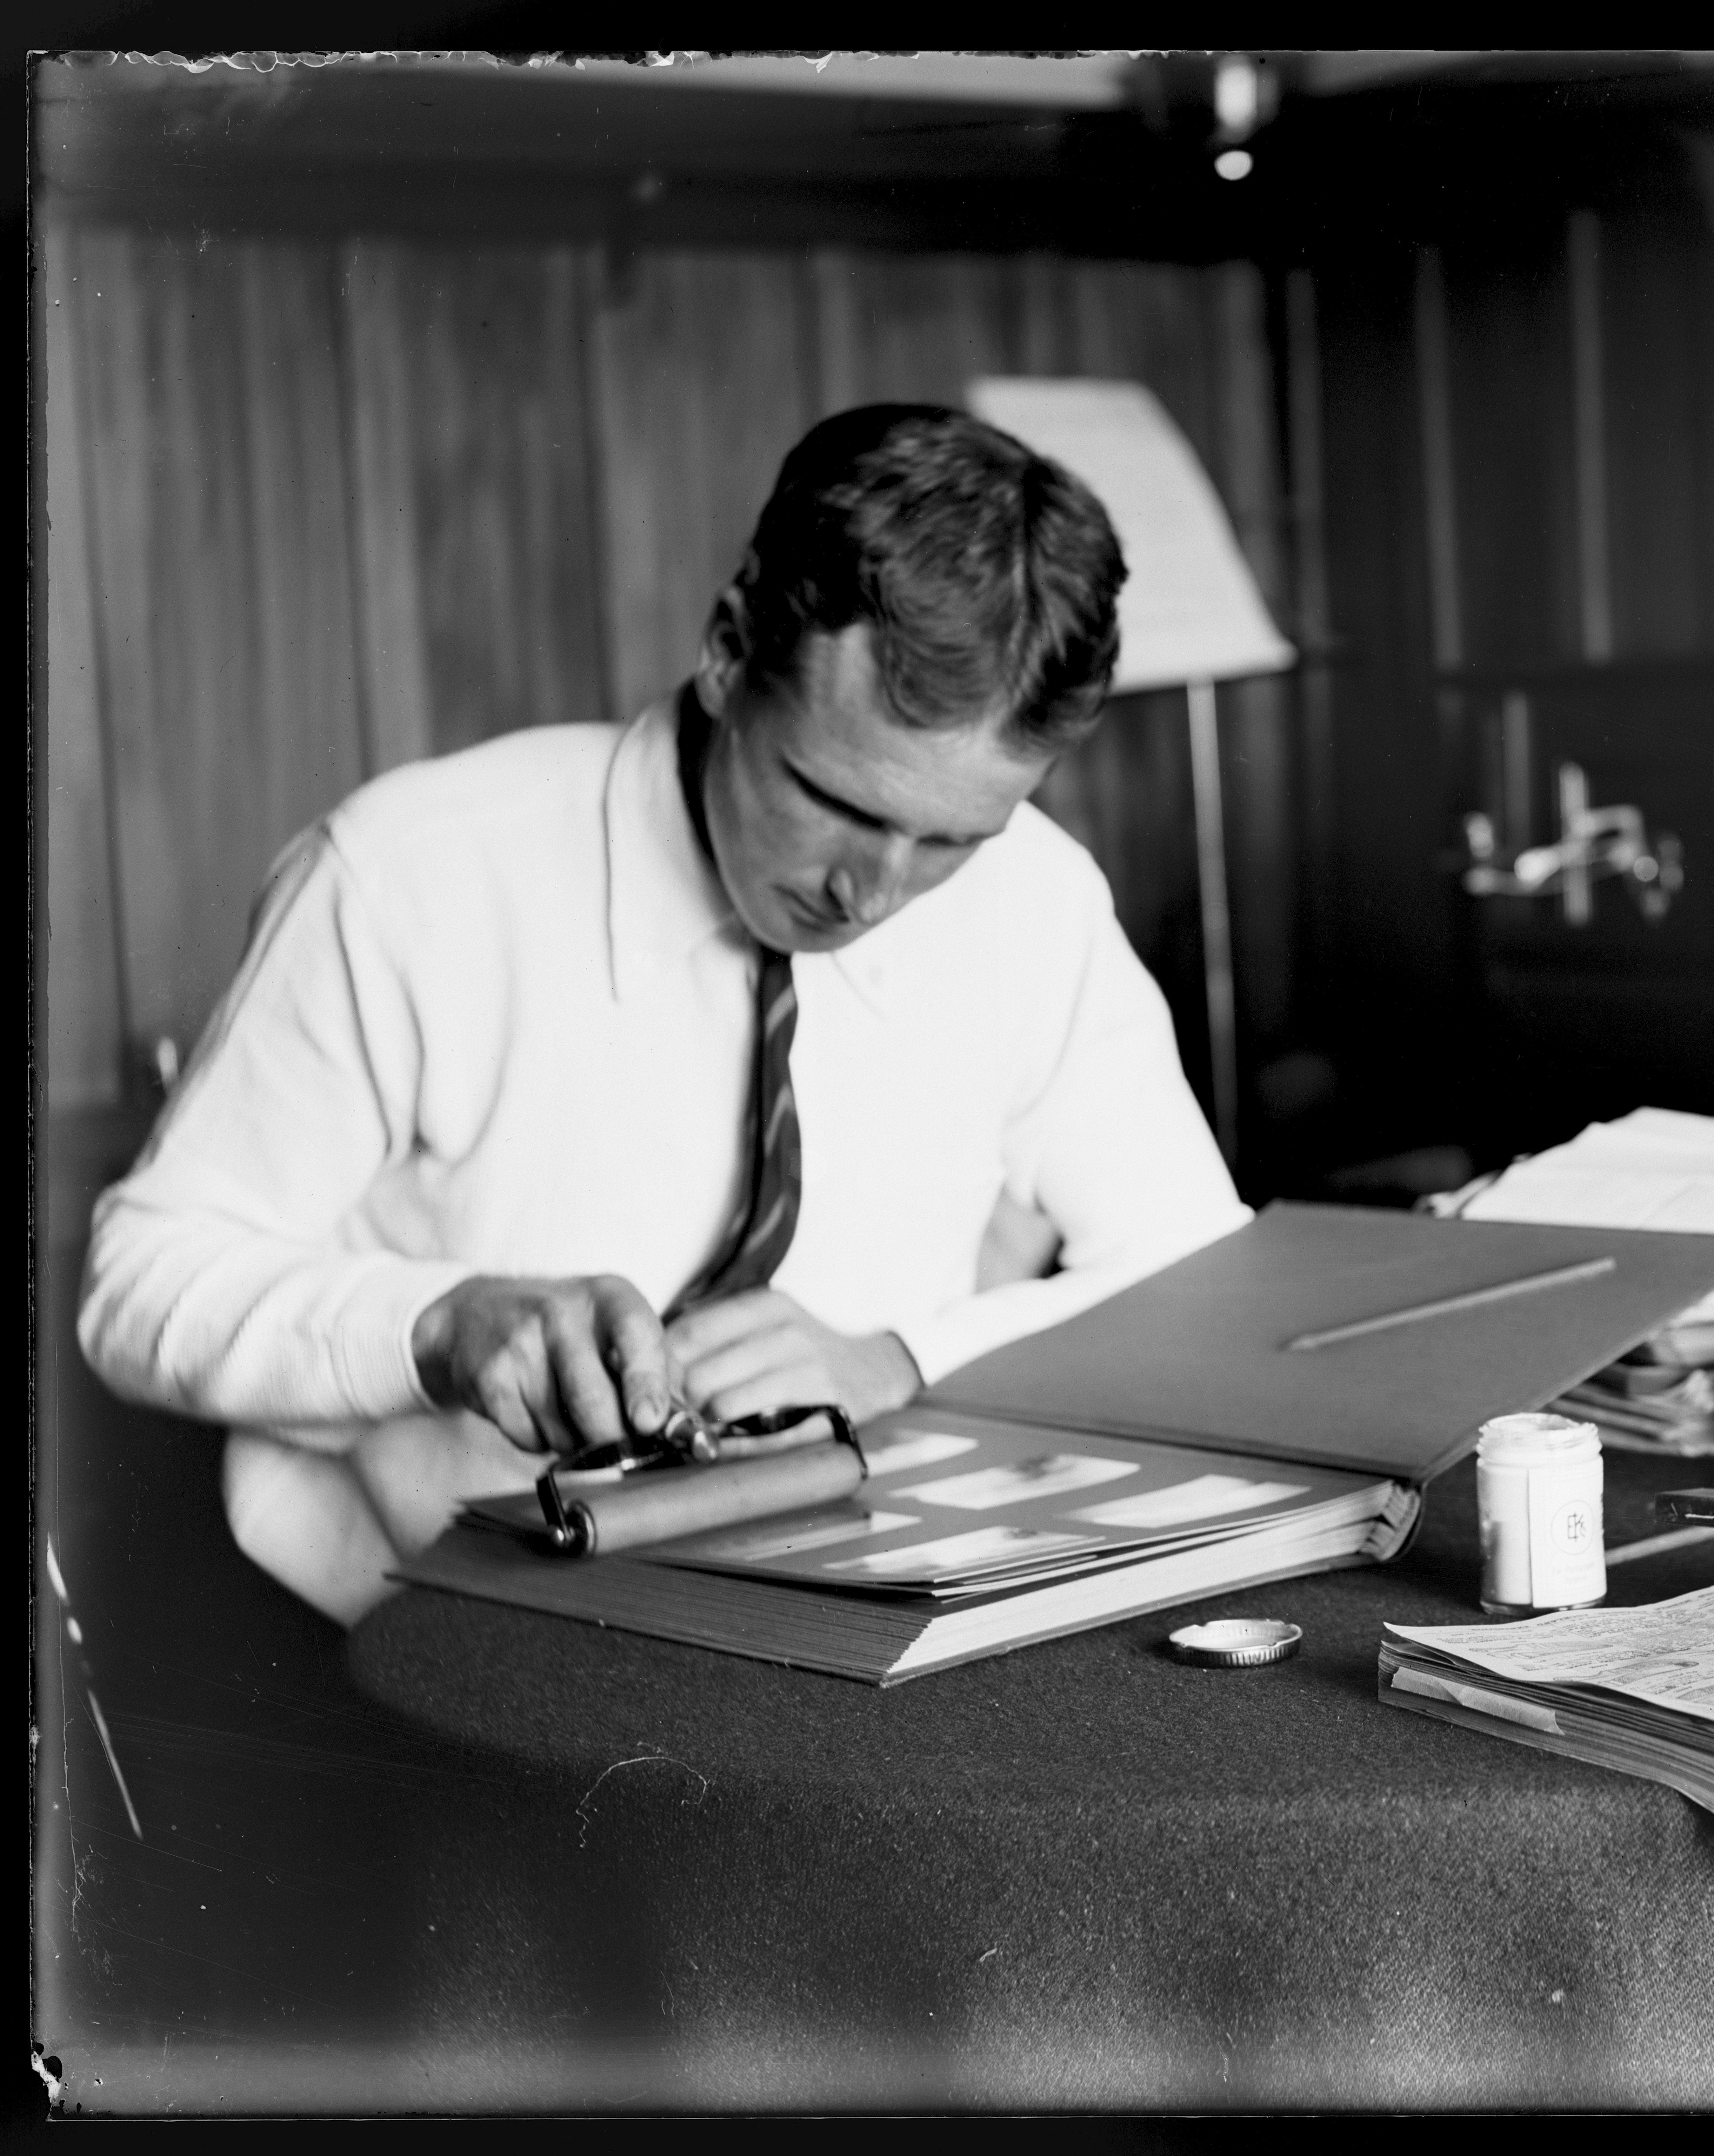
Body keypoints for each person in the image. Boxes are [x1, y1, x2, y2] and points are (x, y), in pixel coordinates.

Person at [79, 405, 1250, 1626]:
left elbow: (1197, 1276)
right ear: (732, 650)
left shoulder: (1038, 901)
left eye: (954, 838)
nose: (875, 890)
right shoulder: (406, 876)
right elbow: (137, 1283)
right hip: (417, 1656)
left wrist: (906, 1361)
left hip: (859, 1634)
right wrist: (433, 1327)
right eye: (832, 799)